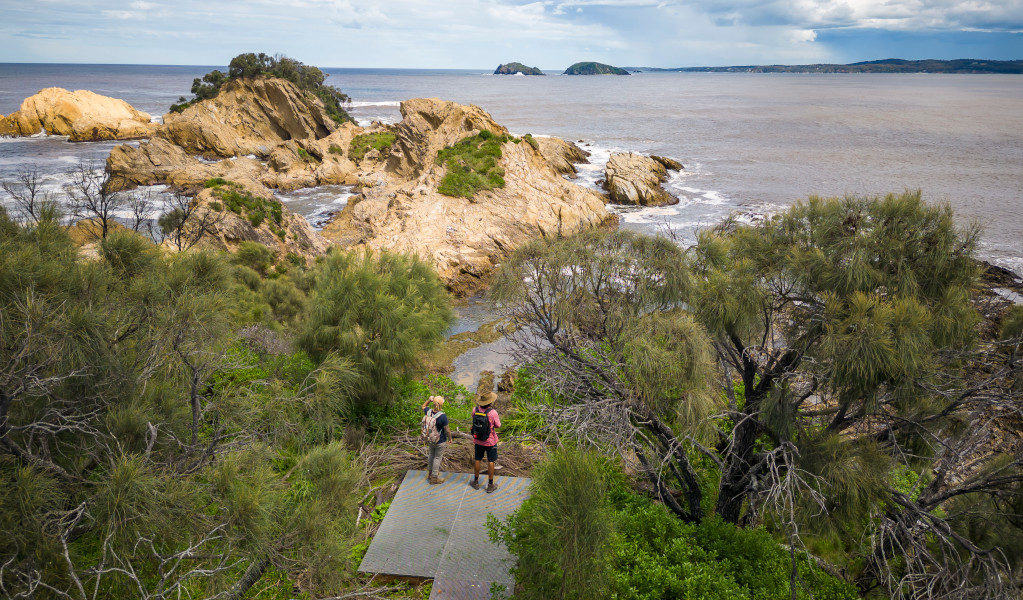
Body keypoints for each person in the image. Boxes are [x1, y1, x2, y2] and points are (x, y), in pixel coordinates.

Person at [470, 391, 501, 493]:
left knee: (477, 459)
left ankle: (475, 482)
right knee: (491, 461)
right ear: (490, 402)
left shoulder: (475, 410)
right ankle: (490, 485)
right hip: (490, 441)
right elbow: (498, 425)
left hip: (478, 440)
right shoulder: (493, 413)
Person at [421, 395, 451, 484]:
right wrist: (450, 438)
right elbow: (447, 429)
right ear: (441, 405)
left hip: (430, 439)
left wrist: (429, 400)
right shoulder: (443, 416)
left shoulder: (428, 412)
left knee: (431, 455)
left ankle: (430, 474)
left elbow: (423, 406)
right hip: (440, 440)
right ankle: (434, 478)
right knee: (437, 458)